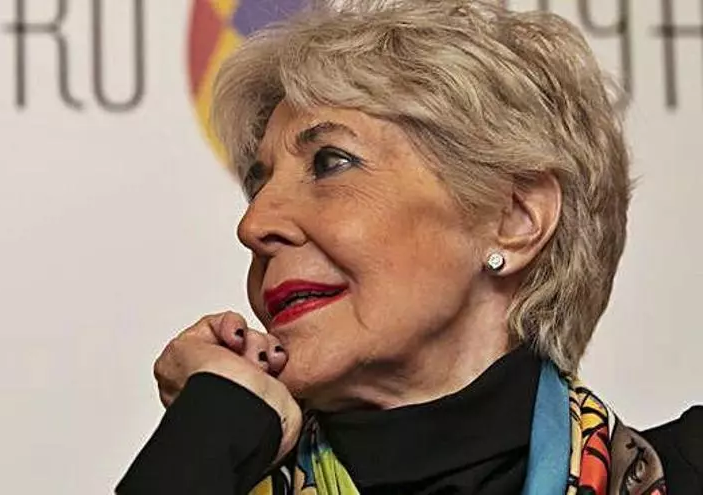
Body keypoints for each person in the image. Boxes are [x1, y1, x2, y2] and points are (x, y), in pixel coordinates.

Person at [117, 1, 702, 493]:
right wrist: (208, 432)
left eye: (331, 162)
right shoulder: (210, 461)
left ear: (515, 218)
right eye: (258, 184)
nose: (254, 223)